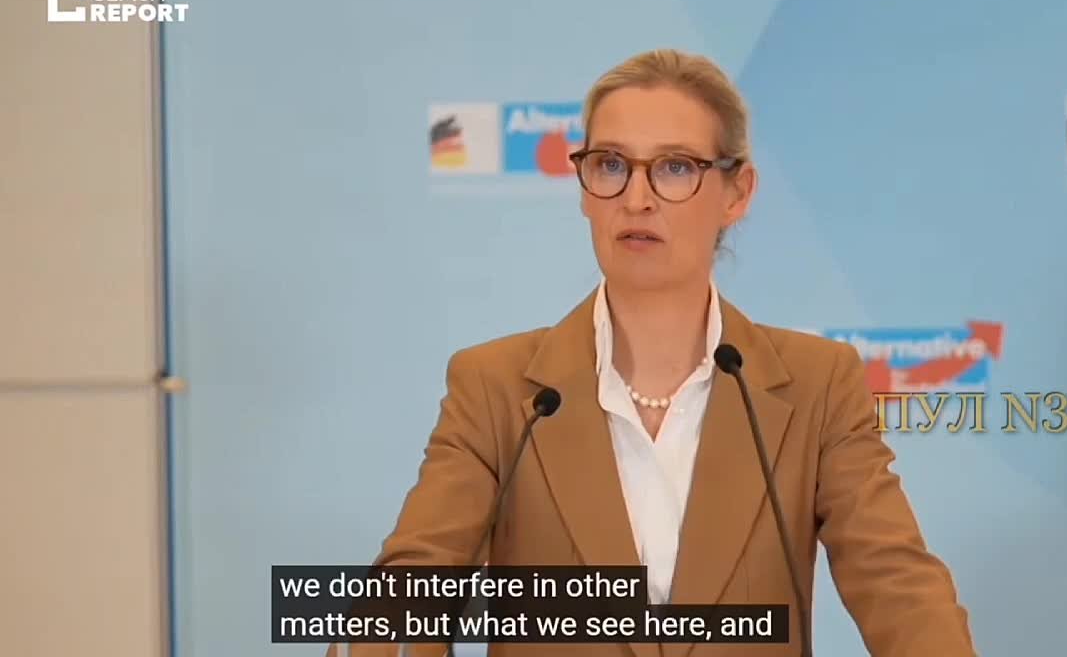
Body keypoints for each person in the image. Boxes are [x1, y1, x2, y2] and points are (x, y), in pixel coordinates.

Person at [330, 49, 977, 656]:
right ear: (584, 187)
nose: (636, 199)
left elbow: (897, 583)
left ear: (737, 193)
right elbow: (409, 589)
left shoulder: (817, 384)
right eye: (611, 165)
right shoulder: (497, 388)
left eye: (674, 168)